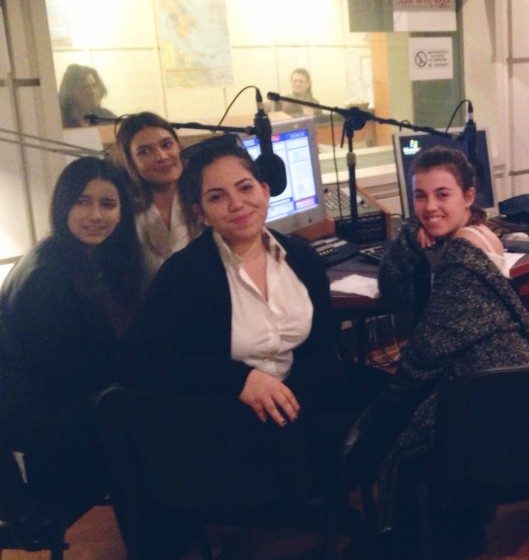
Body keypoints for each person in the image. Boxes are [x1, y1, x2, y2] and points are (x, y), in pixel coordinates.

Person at [118, 139, 381, 483]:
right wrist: (239, 379)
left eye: (245, 187)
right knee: (363, 441)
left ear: (265, 191)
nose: (237, 204)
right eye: (217, 197)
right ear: (200, 212)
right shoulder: (183, 273)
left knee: (402, 403)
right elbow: (138, 362)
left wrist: (299, 402)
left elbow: (319, 351)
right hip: (228, 418)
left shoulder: (302, 258)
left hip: (296, 399)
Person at [371, 146, 529, 531]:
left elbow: (428, 350)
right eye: (420, 196)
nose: (430, 206)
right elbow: (392, 286)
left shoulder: (463, 257)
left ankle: (406, 537)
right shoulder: (479, 233)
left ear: (468, 195)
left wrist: (384, 409)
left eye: (442, 194)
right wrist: (413, 232)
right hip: (503, 384)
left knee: (391, 428)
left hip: (483, 399)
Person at [0, 157, 145, 510]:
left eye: (107, 204)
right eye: (82, 201)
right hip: (58, 437)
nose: (95, 215)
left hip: (71, 418)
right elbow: (64, 378)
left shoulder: (78, 259)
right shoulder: (46, 277)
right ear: (63, 204)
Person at [115, 112, 193, 278]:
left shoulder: (202, 195)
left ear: (179, 146)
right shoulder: (123, 210)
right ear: (130, 161)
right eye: (145, 152)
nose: (161, 157)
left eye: (167, 145)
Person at [59, 64, 117, 129]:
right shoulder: (60, 122)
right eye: (84, 87)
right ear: (70, 92)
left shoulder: (106, 117)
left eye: (94, 86)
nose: (92, 91)